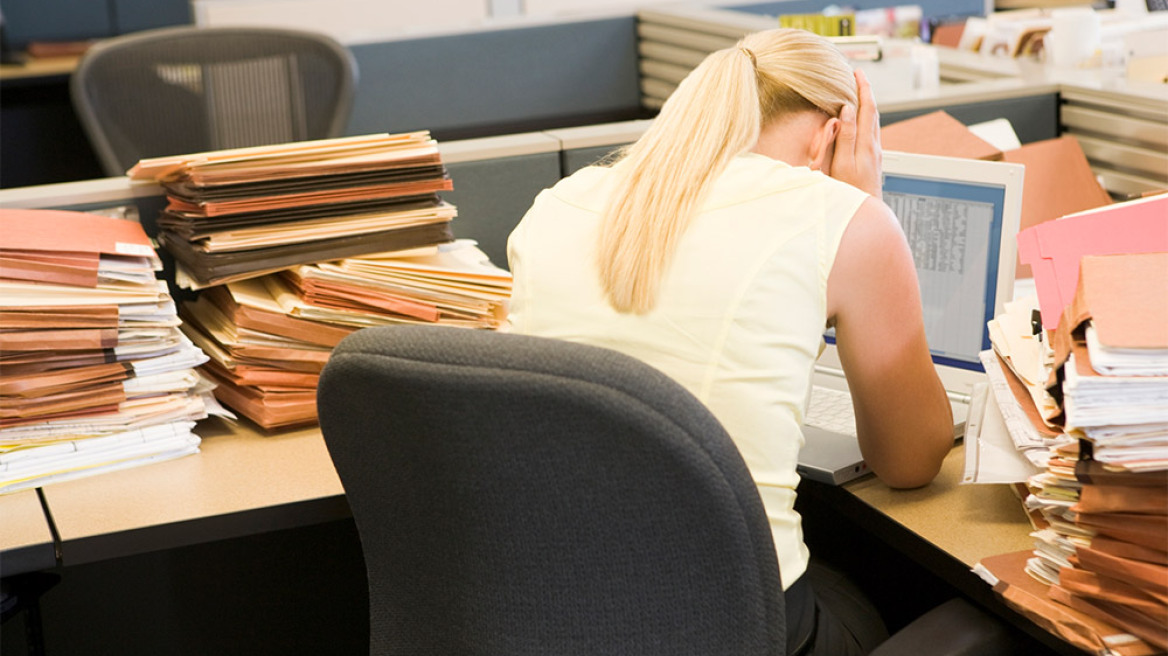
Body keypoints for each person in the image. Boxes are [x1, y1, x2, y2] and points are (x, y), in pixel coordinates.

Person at [506, 28, 954, 656]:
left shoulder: (561, 201)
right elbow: (909, 463)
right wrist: (859, 205)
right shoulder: (841, 216)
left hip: (557, 604)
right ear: (836, 135)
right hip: (736, 624)